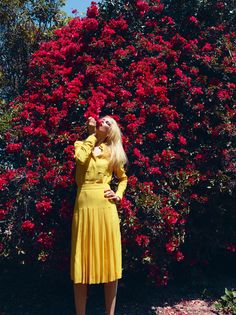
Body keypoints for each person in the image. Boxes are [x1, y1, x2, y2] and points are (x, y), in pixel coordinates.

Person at [70, 115, 128, 315]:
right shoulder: (82, 144)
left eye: (107, 122)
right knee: (81, 266)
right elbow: (80, 159)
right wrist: (91, 135)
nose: (102, 122)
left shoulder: (113, 152)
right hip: (83, 205)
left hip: (106, 208)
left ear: (112, 131)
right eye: (102, 120)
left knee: (109, 264)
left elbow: (123, 178)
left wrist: (118, 195)